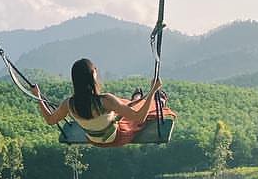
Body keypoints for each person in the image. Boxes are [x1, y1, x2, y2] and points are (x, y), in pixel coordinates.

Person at [32, 58, 162, 146]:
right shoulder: (106, 101)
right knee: (142, 109)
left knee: (122, 104)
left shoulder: (69, 104)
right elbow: (140, 117)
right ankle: (144, 99)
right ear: (92, 76)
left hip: (94, 140)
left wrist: (38, 96)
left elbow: (50, 120)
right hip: (116, 138)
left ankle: (136, 98)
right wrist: (152, 91)